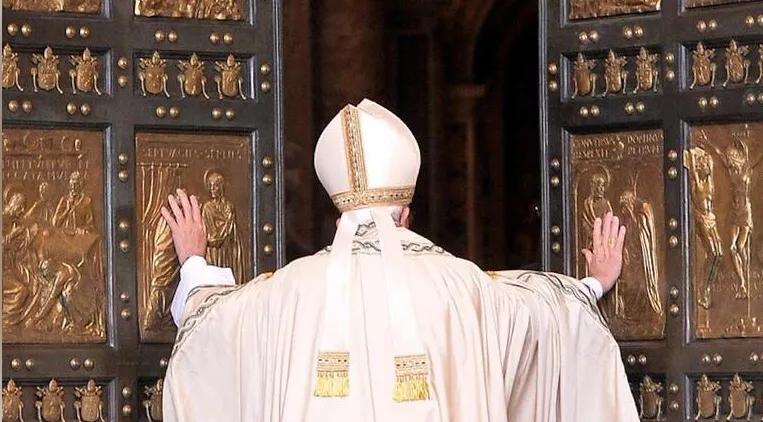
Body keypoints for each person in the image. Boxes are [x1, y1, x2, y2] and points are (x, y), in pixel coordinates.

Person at [160, 99, 638, 421]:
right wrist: (593, 283)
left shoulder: (287, 290)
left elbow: (209, 326)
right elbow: (545, 317)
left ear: (336, 212)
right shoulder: (463, 285)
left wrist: (195, 260)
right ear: (407, 212)